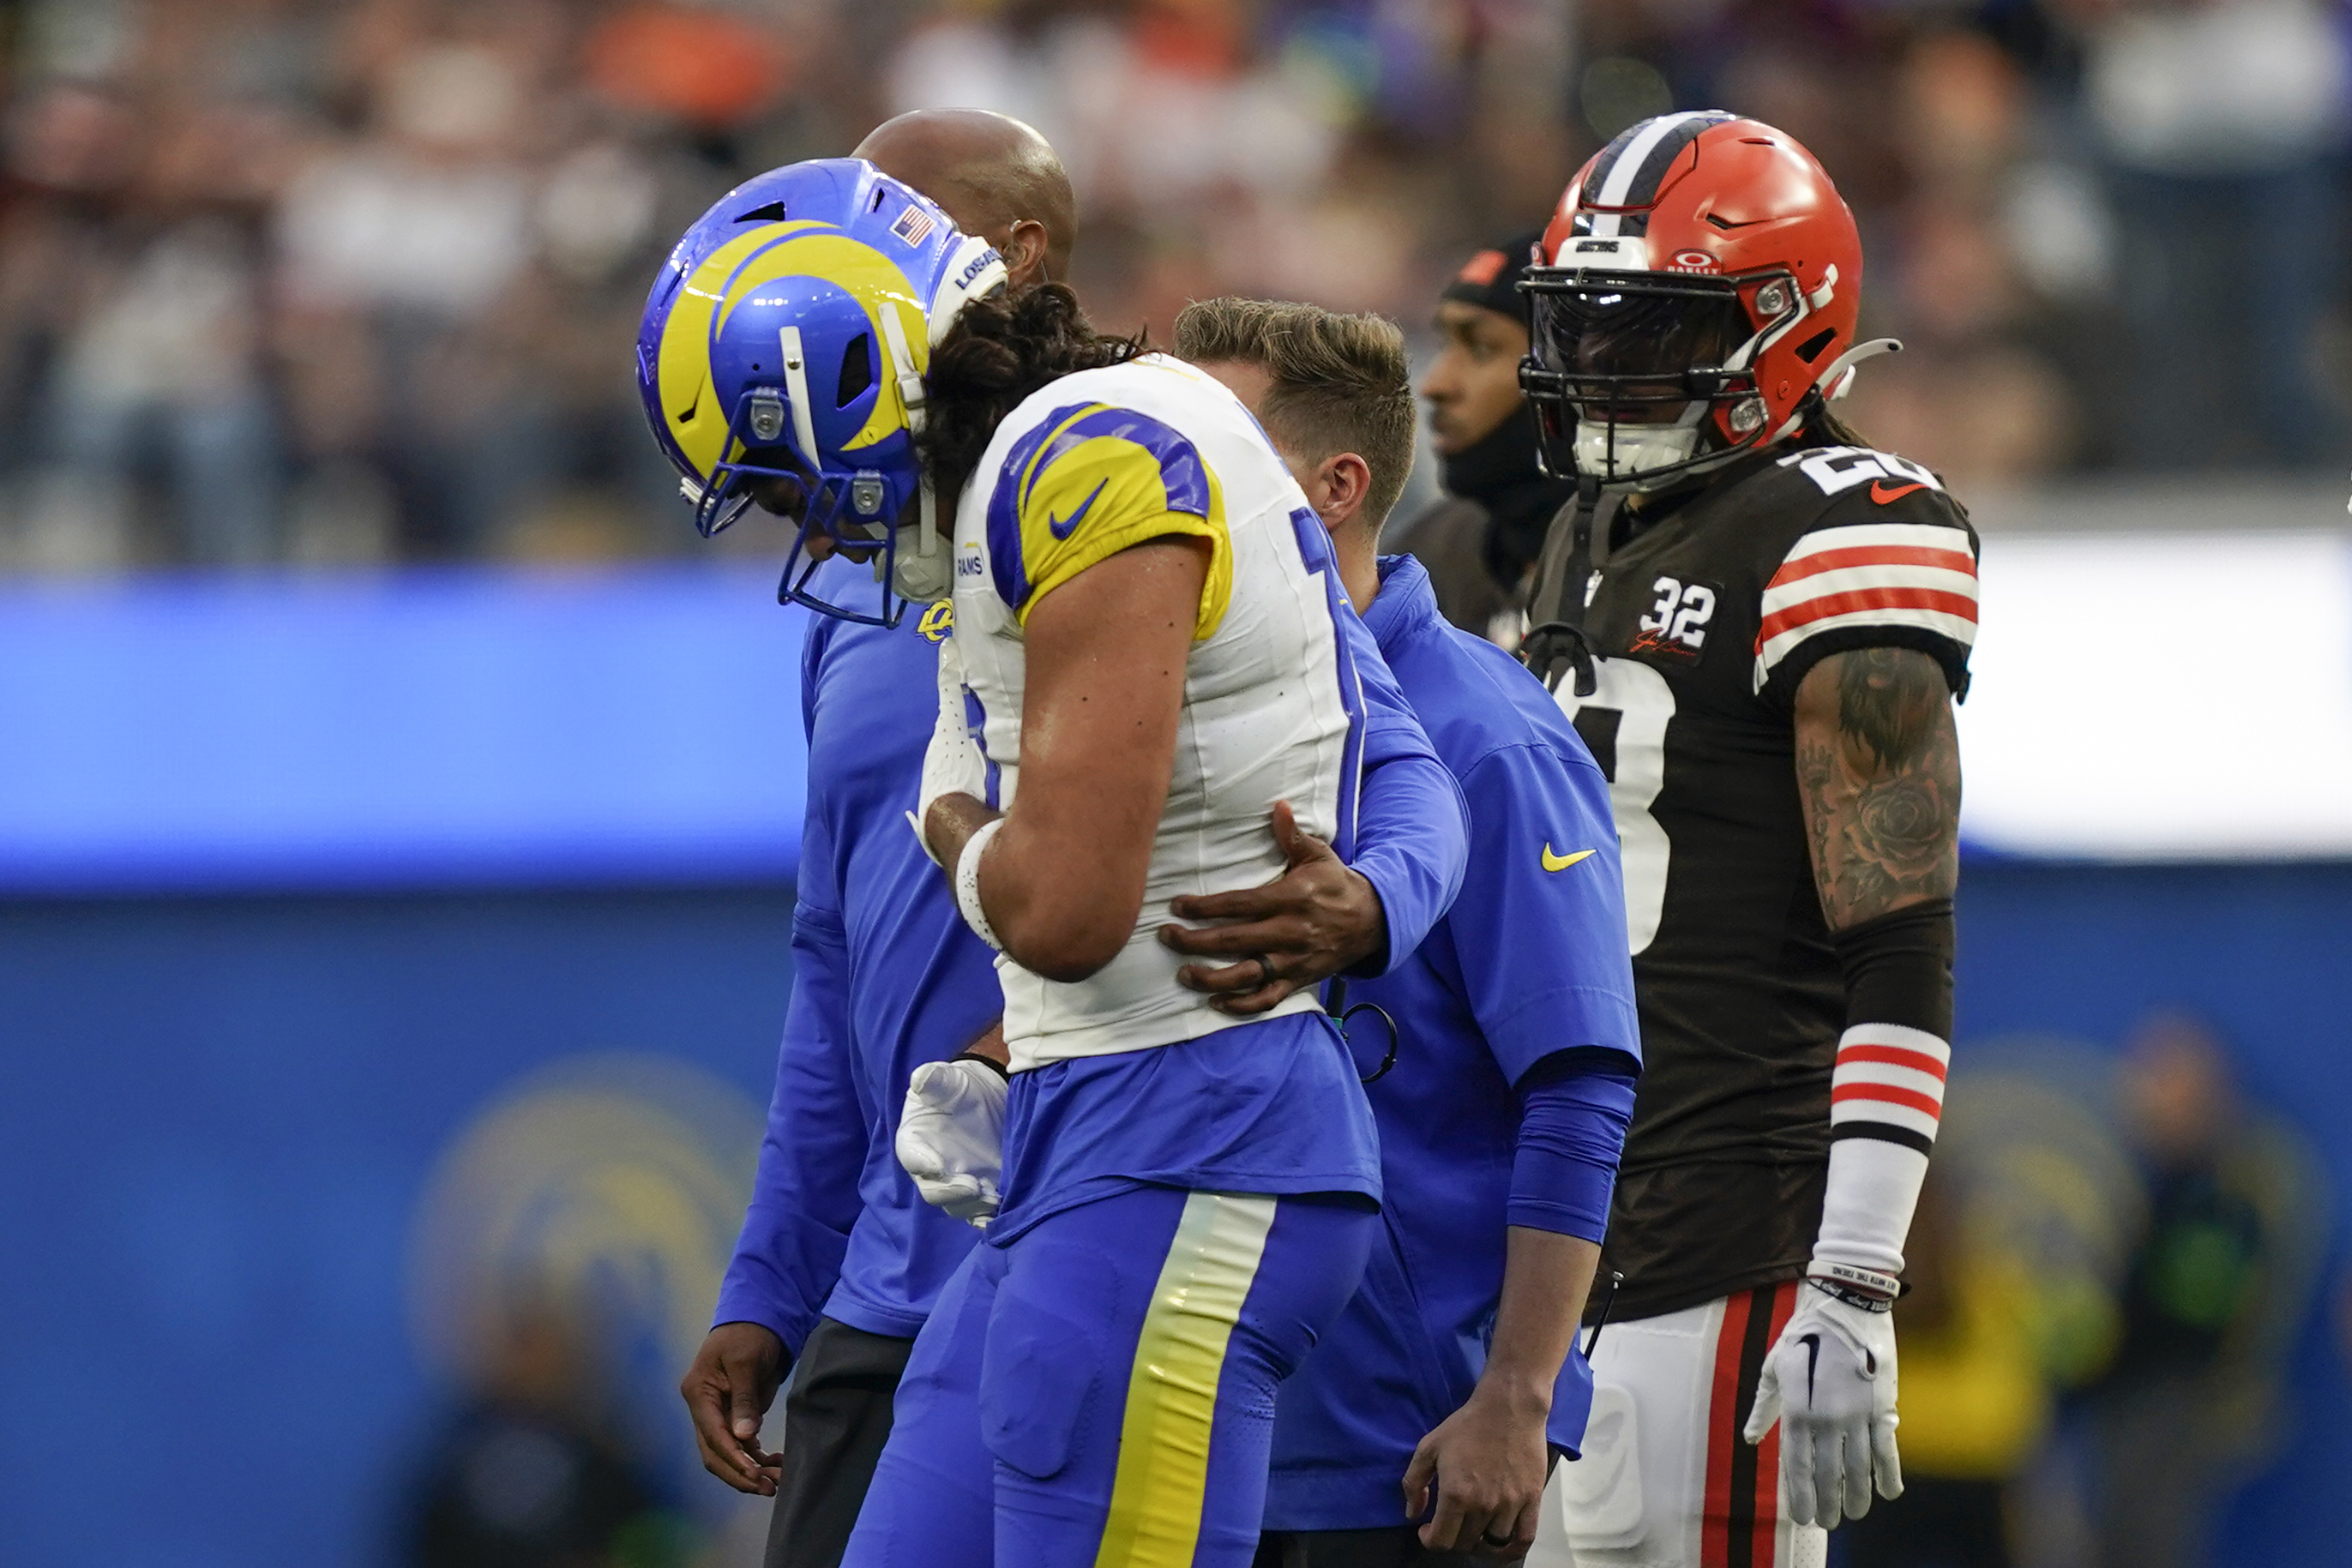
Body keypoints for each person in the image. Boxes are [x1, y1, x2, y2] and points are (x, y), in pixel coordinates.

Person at [637, 159, 1467, 1568]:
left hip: (1185, 1150)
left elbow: (1066, 910)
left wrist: (959, 834)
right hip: (1083, 1146)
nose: (815, 527)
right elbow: (1397, 753)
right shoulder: (1101, 431)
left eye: (790, 480)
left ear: (858, 389)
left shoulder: (1084, 456)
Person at [1505, 112, 1981, 1568]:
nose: (1603, 368)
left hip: (1732, 1239)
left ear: (1785, 325)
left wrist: (1853, 1269)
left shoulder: (1847, 530)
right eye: (1583, 326)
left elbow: (1896, 936)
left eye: (1652, 328)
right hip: (1562, 1232)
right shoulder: (1588, 524)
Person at [1172, 297, 1644, 1567]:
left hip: (1399, 1452)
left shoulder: (1487, 734)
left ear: (1330, 488)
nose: (1157, 479)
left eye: (1207, 445)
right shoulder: (1160, 709)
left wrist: (1516, 1394)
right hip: (1183, 1427)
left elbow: (1578, 1086)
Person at [1386, 232, 1574, 646]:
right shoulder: (1424, 559)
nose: (1435, 384)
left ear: (1569, 372)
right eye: (1445, 344)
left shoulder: (1652, 567)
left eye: (1482, 349)